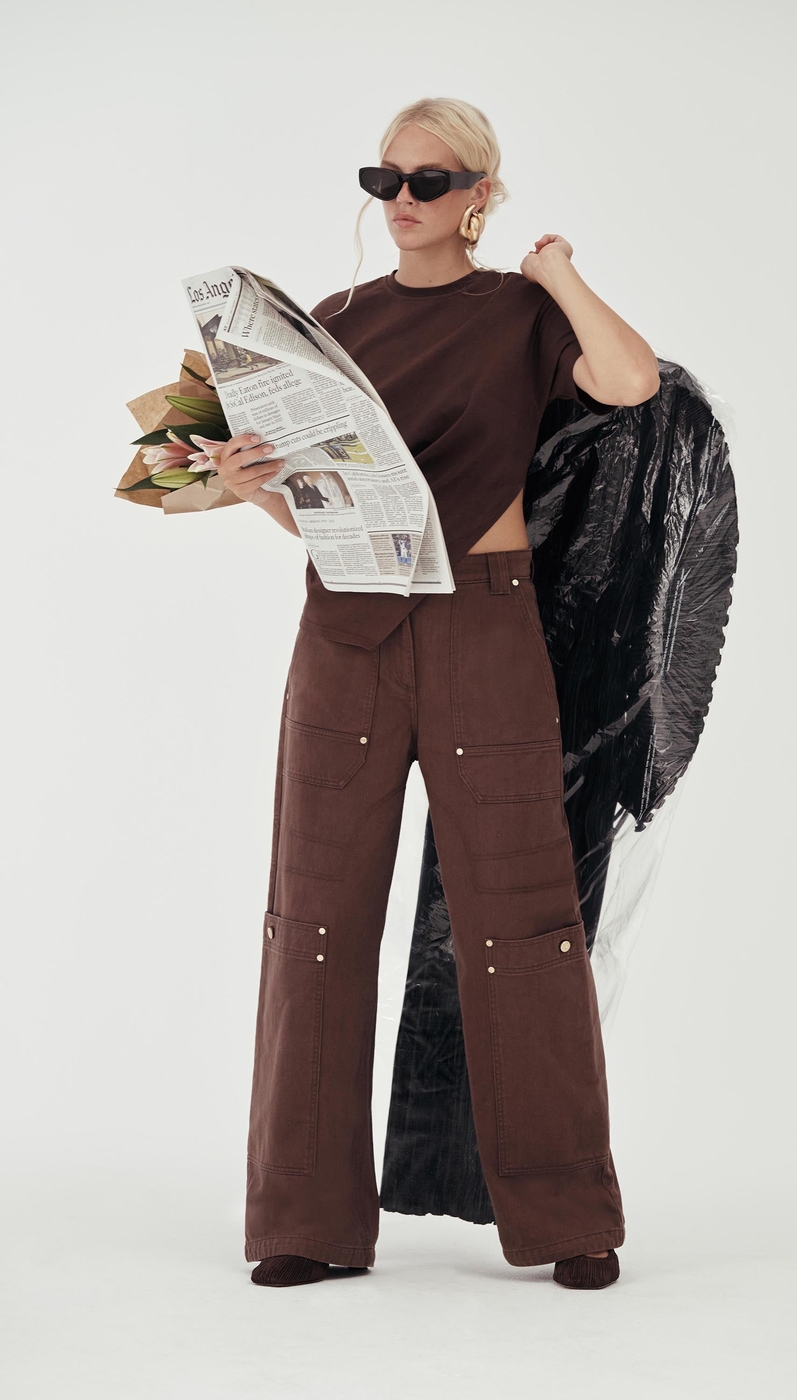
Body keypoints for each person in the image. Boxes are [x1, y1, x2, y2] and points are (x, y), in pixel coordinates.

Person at [197, 96, 660, 1292]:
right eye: (383, 180)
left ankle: (566, 1214)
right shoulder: (332, 324)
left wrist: (557, 270)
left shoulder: (519, 310)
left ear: (478, 194)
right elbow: (322, 510)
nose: (400, 201)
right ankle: (302, 1218)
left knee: (524, 916)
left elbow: (628, 380)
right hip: (345, 628)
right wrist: (251, 486)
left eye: (428, 180)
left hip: (482, 626)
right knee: (313, 916)